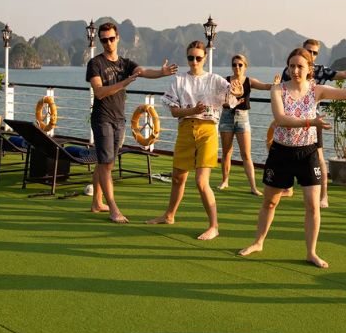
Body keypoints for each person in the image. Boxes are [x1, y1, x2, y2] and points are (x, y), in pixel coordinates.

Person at [239, 48, 346, 268]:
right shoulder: (278, 89)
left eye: (300, 66)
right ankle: (258, 242)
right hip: (281, 152)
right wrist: (311, 122)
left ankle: (311, 252)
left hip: (308, 153)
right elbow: (281, 119)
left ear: (309, 69)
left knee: (312, 205)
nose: (295, 70)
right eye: (291, 66)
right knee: (270, 202)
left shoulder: (316, 90)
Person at [147, 41, 241, 240]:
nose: (194, 61)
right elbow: (174, 111)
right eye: (191, 58)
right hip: (185, 129)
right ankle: (169, 215)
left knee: (201, 181)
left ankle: (214, 225)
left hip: (207, 131)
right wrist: (192, 110)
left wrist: (237, 90)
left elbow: (232, 96)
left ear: (205, 58)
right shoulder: (179, 81)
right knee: (177, 178)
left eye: (198, 58)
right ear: (187, 58)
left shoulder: (215, 80)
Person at [86, 22, 177, 223]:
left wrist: (161, 73)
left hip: (119, 119)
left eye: (111, 38)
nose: (108, 43)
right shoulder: (95, 64)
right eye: (103, 40)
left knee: (105, 163)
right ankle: (113, 208)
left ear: (117, 38)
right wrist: (123, 83)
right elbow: (100, 93)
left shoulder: (125, 63)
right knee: (106, 163)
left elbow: (142, 71)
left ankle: (96, 202)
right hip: (102, 119)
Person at [281, 38, 346, 207]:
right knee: (285, 153)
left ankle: (323, 196)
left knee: (318, 157)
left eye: (315, 52)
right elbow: (281, 93)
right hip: (292, 122)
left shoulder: (320, 71)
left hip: (313, 122)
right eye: (308, 50)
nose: (311, 54)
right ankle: (287, 186)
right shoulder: (290, 70)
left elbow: (344, 74)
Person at [218, 54, 274, 195]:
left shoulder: (249, 81)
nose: (237, 67)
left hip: (243, 118)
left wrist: (277, 85)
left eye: (240, 64)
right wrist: (232, 102)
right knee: (226, 152)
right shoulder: (225, 81)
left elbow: (266, 86)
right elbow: (220, 101)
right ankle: (225, 181)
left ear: (245, 66)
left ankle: (253, 187)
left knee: (246, 155)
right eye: (234, 64)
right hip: (226, 117)